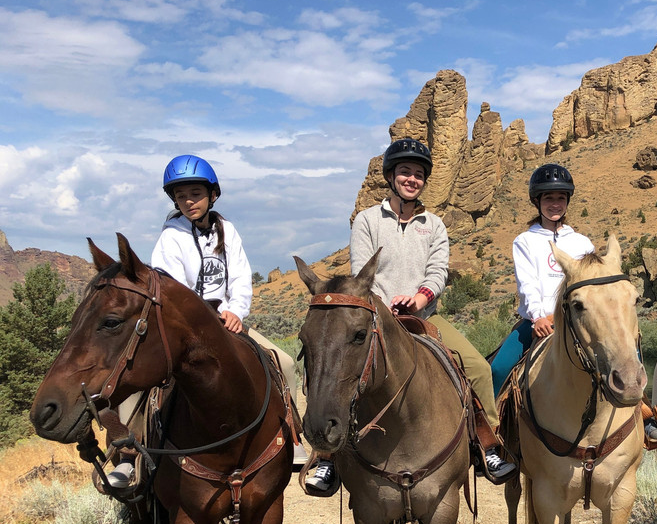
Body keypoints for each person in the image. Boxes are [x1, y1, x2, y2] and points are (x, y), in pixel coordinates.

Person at [107, 154, 307, 488]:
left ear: (212, 194)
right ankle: (130, 454)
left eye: (196, 193)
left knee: (284, 363)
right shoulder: (170, 238)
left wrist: (235, 311)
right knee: (138, 381)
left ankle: (292, 436)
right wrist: (203, 317)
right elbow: (172, 289)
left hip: (230, 323)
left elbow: (241, 276)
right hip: (184, 328)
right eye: (181, 195)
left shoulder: (227, 230)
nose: (189, 201)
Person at [346, 137, 515, 484]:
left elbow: (438, 270)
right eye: (405, 172)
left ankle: (488, 445)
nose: (412, 179)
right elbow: (362, 271)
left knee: (479, 369)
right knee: (340, 368)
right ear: (391, 176)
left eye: (418, 174)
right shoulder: (367, 220)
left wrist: (420, 300)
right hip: (377, 315)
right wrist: (384, 306)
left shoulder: (434, 224)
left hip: (424, 316)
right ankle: (330, 455)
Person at [489, 163, 657, 445]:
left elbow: (596, 285)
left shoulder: (581, 241)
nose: (554, 204)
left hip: (579, 320)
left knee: (624, 350)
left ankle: (642, 412)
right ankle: (493, 433)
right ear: (537, 202)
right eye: (548, 198)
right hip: (539, 322)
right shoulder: (524, 241)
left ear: (567, 201)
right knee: (499, 368)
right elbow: (527, 284)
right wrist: (537, 317)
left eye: (560, 198)